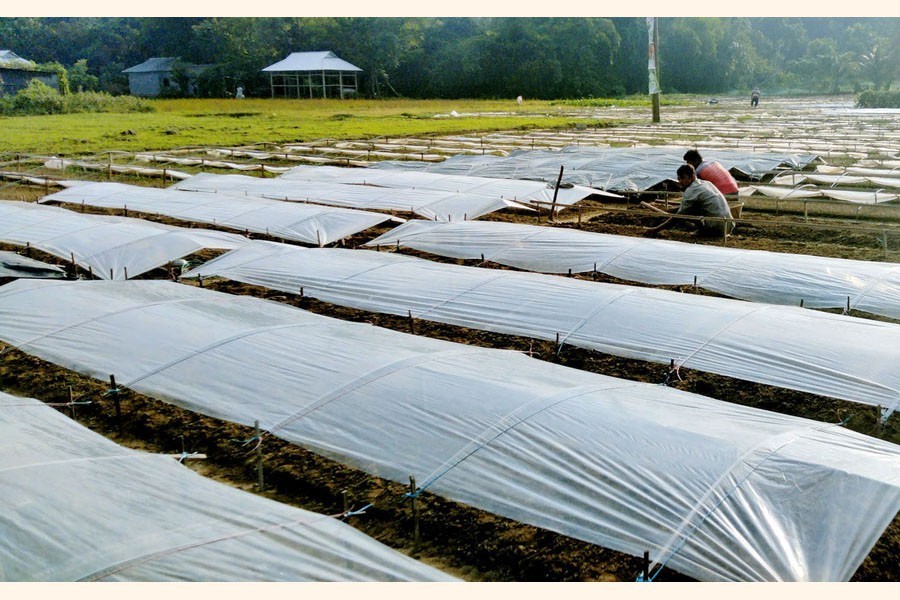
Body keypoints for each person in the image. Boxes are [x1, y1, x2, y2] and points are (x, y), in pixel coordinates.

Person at [645, 164, 735, 238]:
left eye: (683, 178)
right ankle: (704, 230)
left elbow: (679, 216)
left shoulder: (692, 190)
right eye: (679, 178)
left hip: (717, 229)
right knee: (691, 208)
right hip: (729, 225)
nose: (680, 182)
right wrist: (671, 210)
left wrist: (656, 229)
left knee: (688, 211)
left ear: (692, 177)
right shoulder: (706, 183)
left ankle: (704, 232)